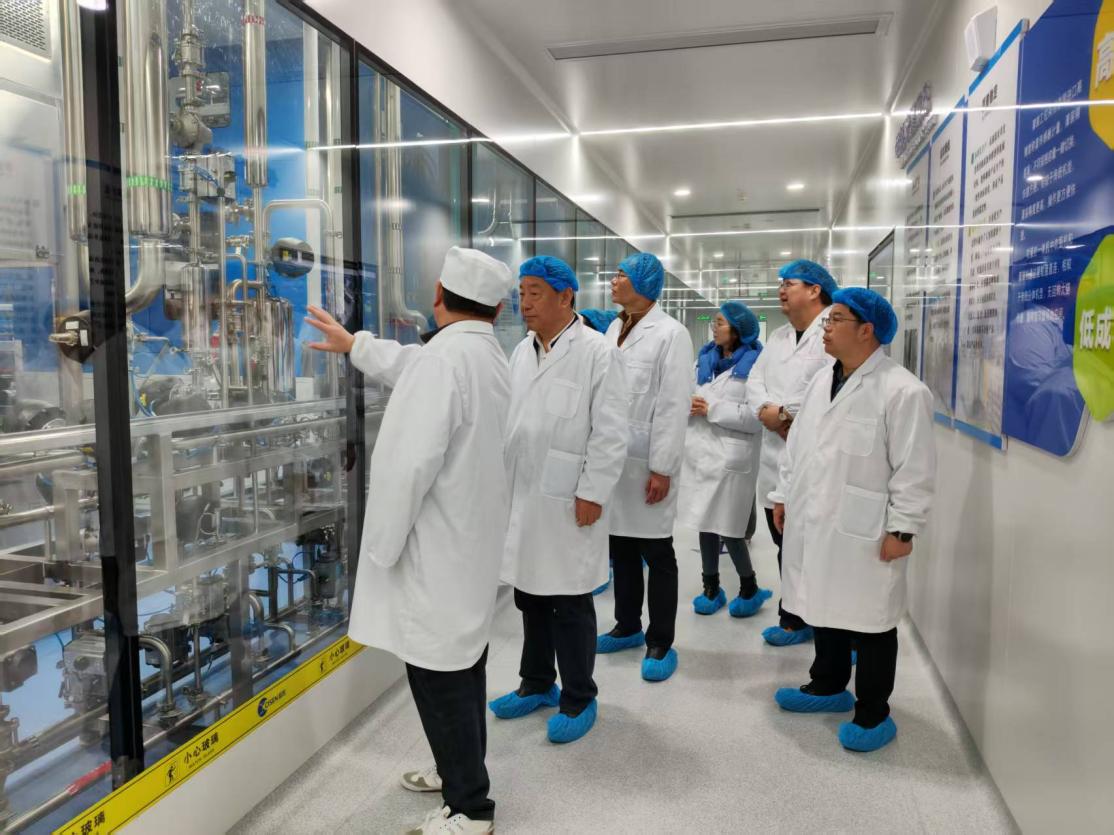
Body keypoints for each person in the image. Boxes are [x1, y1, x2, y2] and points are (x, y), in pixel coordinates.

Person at [305, 246, 515, 835]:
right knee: (463, 662)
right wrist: (356, 345)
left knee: (437, 674)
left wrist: (380, 548)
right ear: (497, 309)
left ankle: (471, 808)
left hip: (434, 548)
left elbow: (405, 469)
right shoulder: (485, 354)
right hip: (469, 540)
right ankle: (456, 771)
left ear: (438, 296)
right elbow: (414, 365)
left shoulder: (445, 360)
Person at [769, 288, 936, 753]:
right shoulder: (823, 380)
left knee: (871, 619)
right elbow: (798, 446)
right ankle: (827, 684)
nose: (825, 327)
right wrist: (782, 495)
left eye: (836, 319)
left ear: (867, 330)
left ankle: (873, 712)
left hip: (869, 528)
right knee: (824, 604)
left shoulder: (903, 390)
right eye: (827, 319)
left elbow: (915, 469)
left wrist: (903, 529)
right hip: (815, 515)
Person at [489, 256, 629, 744]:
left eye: (535, 293)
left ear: (566, 296)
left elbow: (611, 432)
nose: (524, 303)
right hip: (525, 496)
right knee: (530, 595)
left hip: (570, 499)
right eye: (521, 293)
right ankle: (536, 683)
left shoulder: (597, 352)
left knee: (569, 600)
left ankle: (579, 696)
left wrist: (593, 491)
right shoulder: (521, 351)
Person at [596, 252, 694, 682]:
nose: (613, 281)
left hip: (647, 461)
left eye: (621, 275)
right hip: (614, 458)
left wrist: (662, 468)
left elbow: (673, 405)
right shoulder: (614, 328)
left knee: (657, 552)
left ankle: (661, 640)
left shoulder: (671, 334)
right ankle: (627, 625)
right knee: (621, 547)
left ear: (642, 283)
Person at [745, 259, 837, 646]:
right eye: (780, 283)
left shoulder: (834, 330)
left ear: (815, 290)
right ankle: (795, 618)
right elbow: (755, 381)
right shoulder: (780, 337)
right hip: (774, 457)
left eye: (790, 283)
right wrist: (768, 412)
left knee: (818, 549)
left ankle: (834, 628)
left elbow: (833, 385)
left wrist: (784, 413)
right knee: (785, 545)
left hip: (816, 456)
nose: (781, 289)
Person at [677, 300, 771, 618]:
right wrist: (688, 405)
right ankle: (711, 587)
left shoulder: (756, 366)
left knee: (730, 528)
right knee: (704, 522)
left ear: (738, 329)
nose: (714, 328)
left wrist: (711, 409)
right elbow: (686, 394)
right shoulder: (704, 360)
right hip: (702, 453)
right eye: (713, 322)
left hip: (733, 457)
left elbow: (756, 417)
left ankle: (749, 587)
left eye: (720, 323)